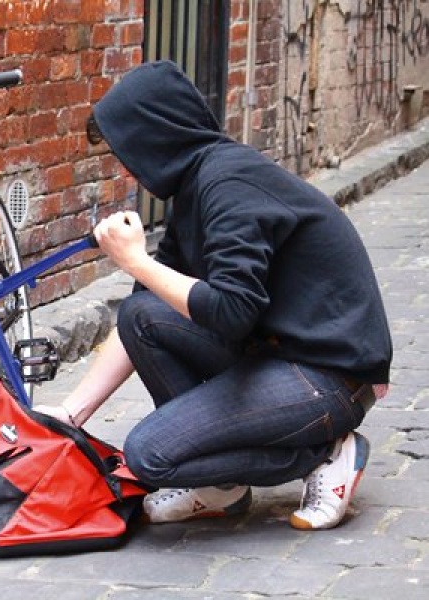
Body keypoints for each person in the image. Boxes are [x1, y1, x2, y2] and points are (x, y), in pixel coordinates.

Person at [35, 61, 392, 530]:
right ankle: (221, 486)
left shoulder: (228, 185)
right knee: (141, 314)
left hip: (331, 375)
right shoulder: (194, 189)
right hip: (277, 354)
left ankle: (325, 453)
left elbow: (231, 312)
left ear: (156, 137)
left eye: (128, 151)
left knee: (150, 455)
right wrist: (72, 412)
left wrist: (135, 259)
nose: (126, 168)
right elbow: (147, 308)